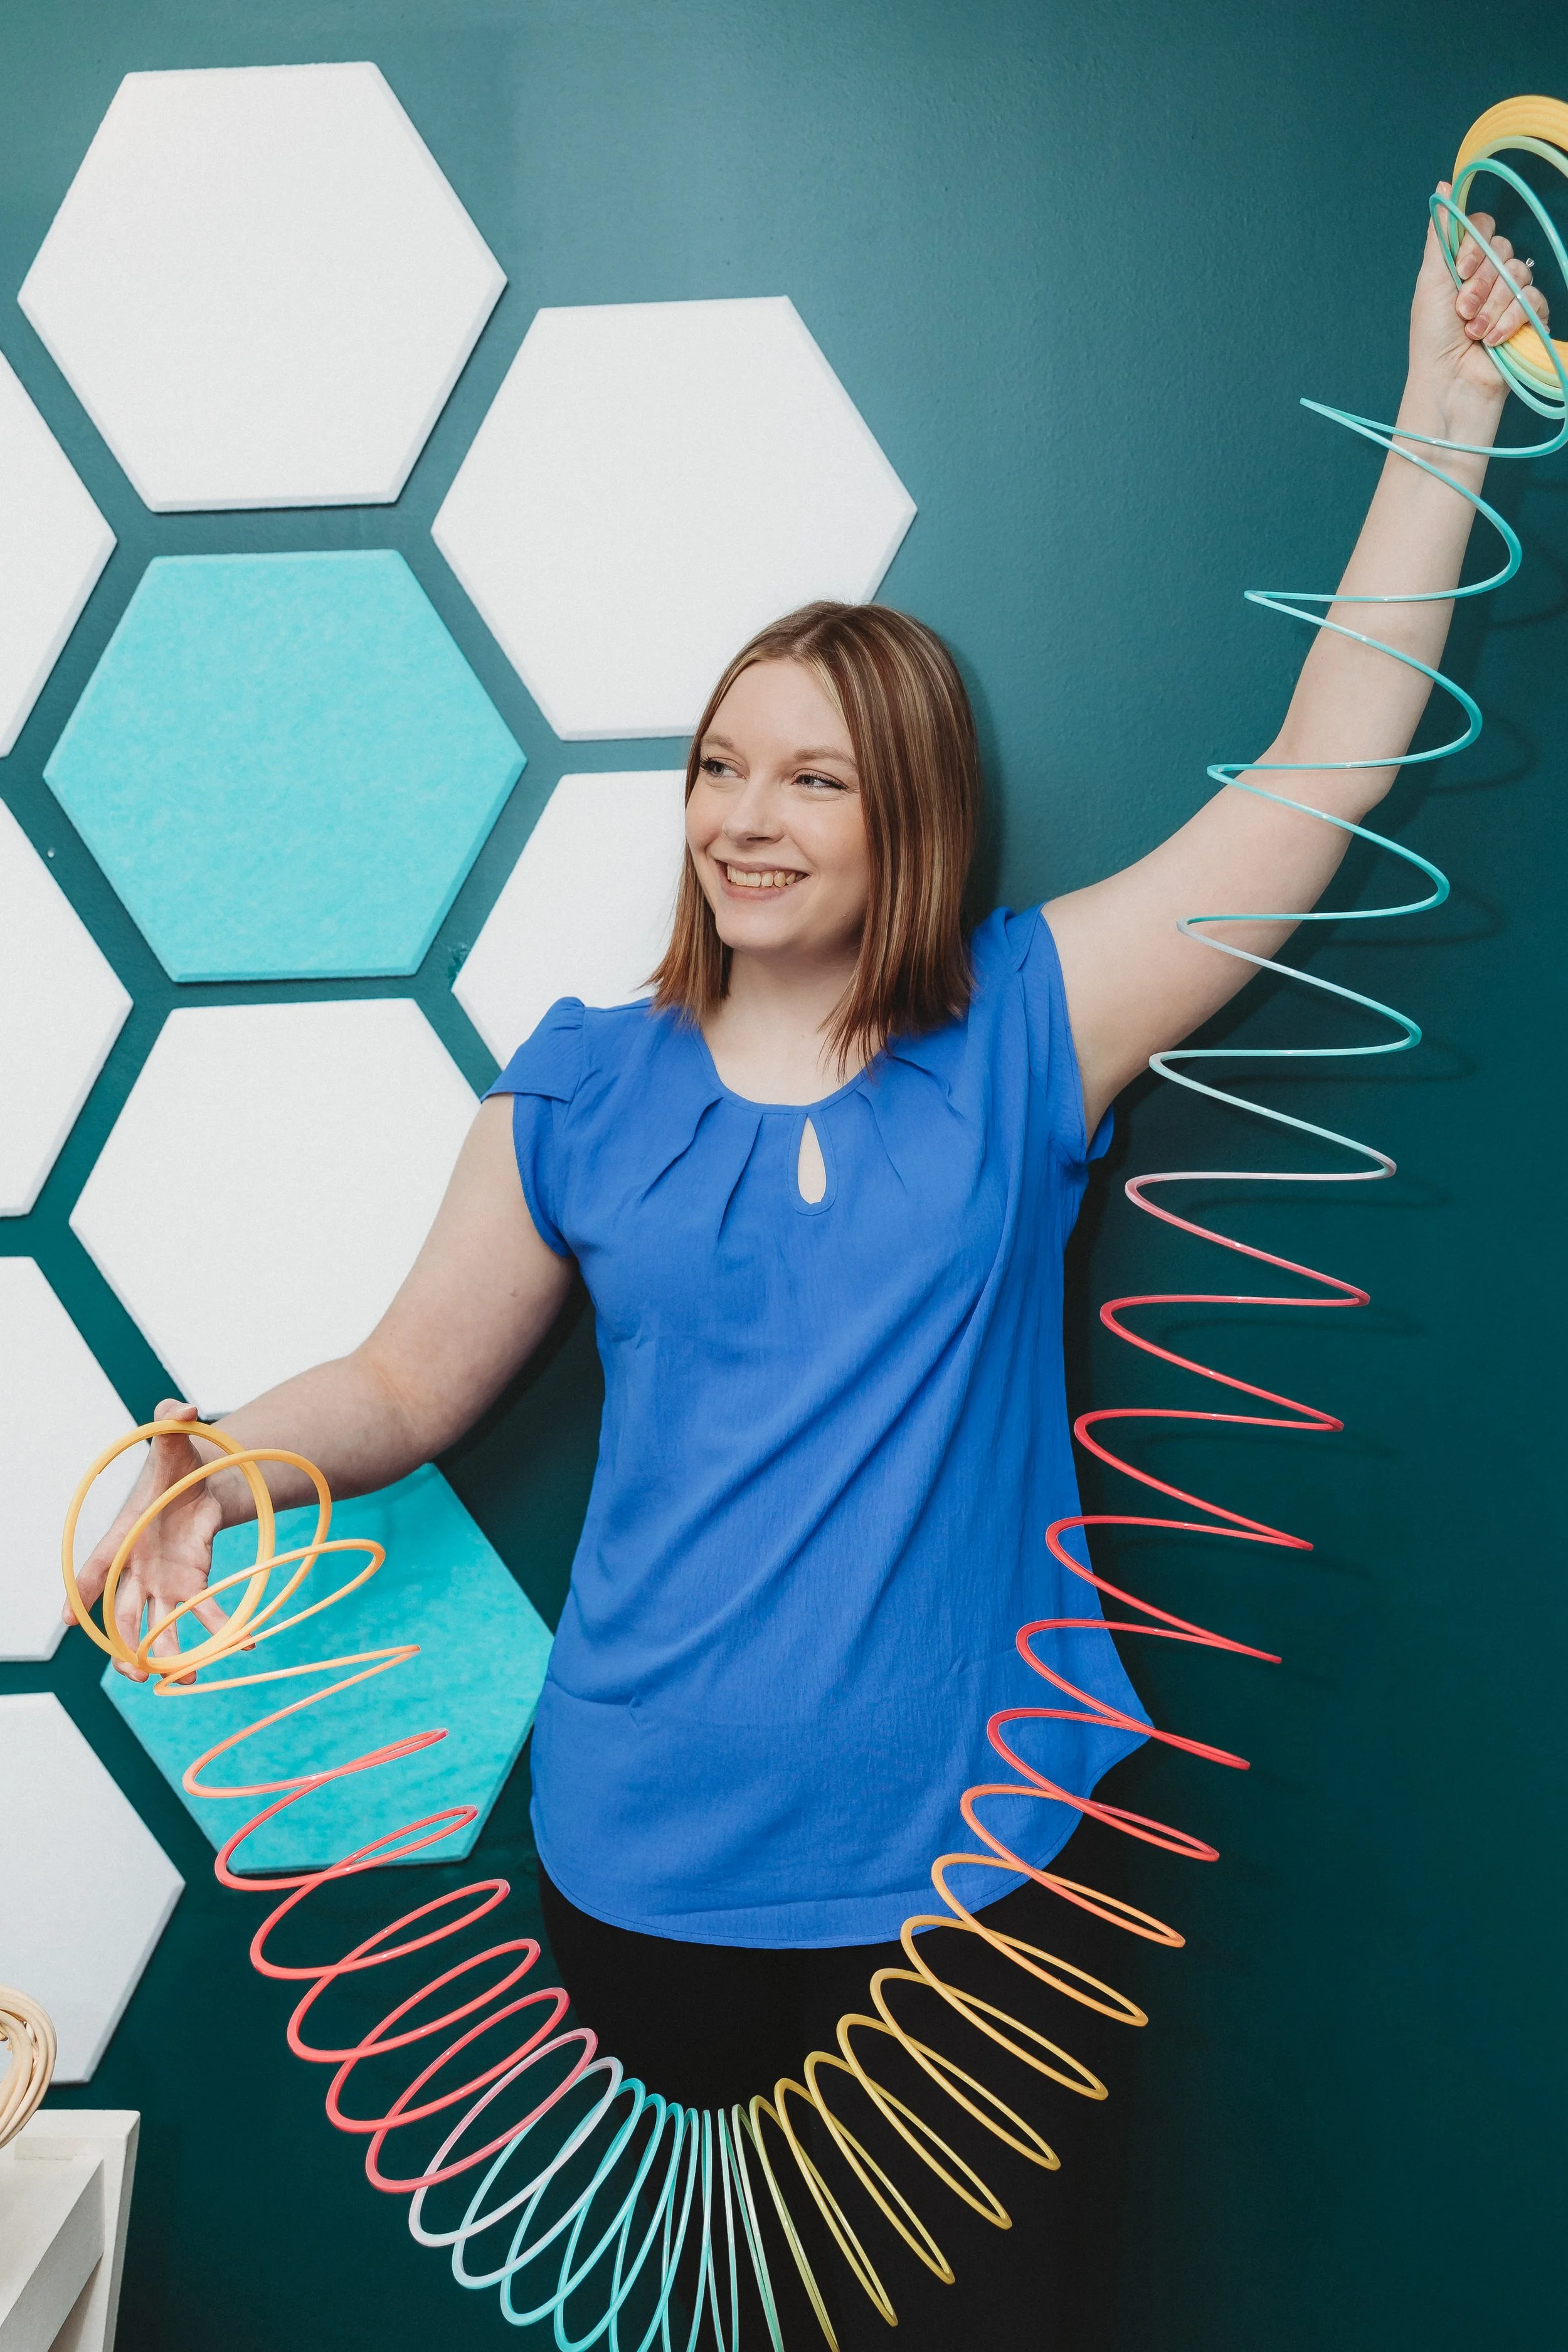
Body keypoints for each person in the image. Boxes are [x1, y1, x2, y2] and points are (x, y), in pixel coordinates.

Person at [72, 192, 1542, 2343]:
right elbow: (402, 1382)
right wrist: (212, 1457)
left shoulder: (1026, 1033)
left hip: (975, 1874)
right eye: (718, 765)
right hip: (640, 1872)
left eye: (810, 776)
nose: (741, 815)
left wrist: (1443, 412)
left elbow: (1319, 779)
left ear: (906, 817)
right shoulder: (579, 1086)